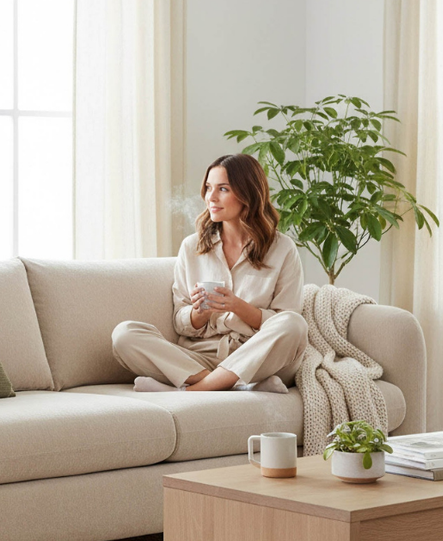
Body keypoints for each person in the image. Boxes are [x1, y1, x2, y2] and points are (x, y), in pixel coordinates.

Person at [112, 153, 308, 393]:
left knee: (294, 324)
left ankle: (192, 391)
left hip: (257, 357)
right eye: (208, 188)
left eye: (223, 189)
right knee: (125, 335)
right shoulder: (191, 247)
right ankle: (234, 385)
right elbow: (180, 322)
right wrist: (199, 313)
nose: (211, 197)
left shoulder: (282, 249)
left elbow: (283, 320)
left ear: (248, 193)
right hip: (201, 358)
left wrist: (237, 306)